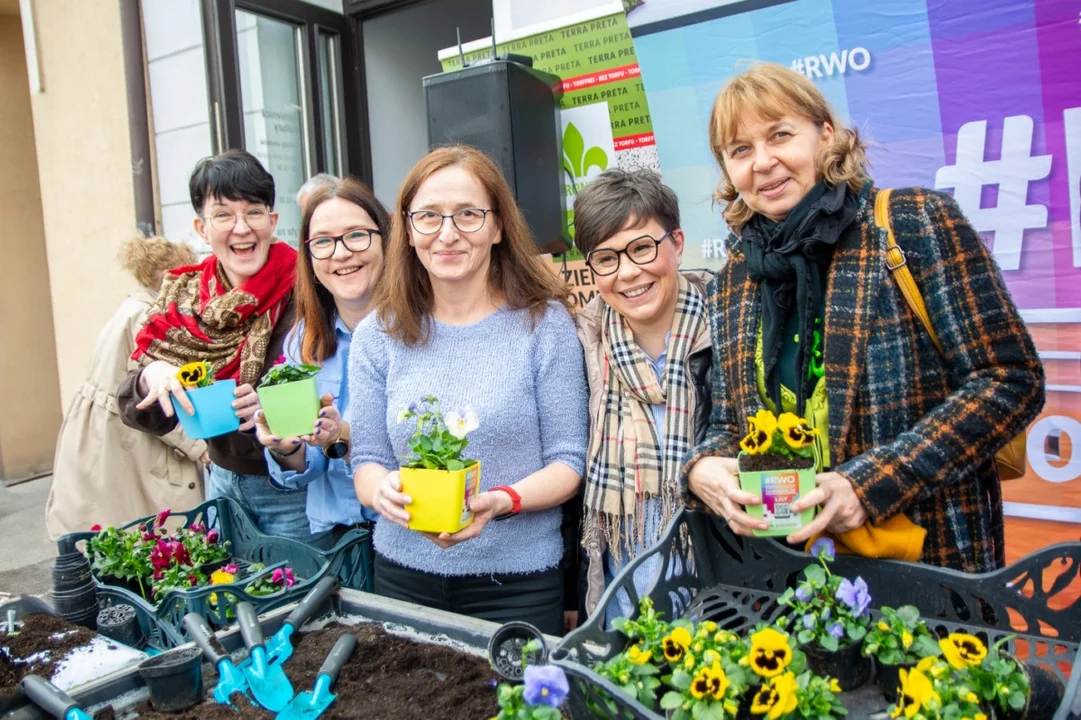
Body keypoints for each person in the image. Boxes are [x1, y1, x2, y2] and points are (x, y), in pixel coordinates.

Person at [682, 62, 1045, 573]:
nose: (762, 163)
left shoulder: (914, 223)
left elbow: (1011, 380)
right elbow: (728, 421)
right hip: (788, 576)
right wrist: (702, 469)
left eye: (780, 135)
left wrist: (868, 484)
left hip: (926, 563)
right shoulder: (736, 279)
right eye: (740, 150)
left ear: (825, 136)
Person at [349, 145, 588, 635]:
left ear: (498, 226)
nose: (448, 233)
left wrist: (501, 500)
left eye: (468, 215)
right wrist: (382, 492)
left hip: (517, 582)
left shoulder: (544, 325)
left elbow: (570, 461)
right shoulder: (378, 334)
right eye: (429, 217)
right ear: (408, 230)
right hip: (403, 577)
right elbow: (366, 459)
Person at [118, 149, 317, 543]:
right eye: (224, 214)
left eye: (254, 212)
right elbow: (136, 409)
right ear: (201, 227)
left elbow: (339, 385)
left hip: (298, 490)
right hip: (222, 483)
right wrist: (153, 375)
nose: (241, 228)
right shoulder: (183, 297)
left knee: (299, 603)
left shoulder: (309, 288)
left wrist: (275, 409)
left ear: (273, 221)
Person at [572, 169, 712, 624]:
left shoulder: (730, 329)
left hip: (722, 598)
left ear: (677, 243)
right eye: (606, 259)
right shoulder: (584, 345)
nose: (628, 273)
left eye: (641, 248)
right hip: (622, 609)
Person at [255, 177, 388, 548]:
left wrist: (342, 435)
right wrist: (285, 445)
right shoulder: (303, 340)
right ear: (310, 258)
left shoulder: (423, 333)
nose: (341, 253)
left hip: (407, 534)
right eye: (323, 242)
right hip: (332, 539)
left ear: (387, 241)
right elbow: (309, 465)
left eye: (357, 235)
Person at [46, 236, 206, 538]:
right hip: (131, 436)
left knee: (108, 521)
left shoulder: (131, 307)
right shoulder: (147, 316)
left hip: (104, 431)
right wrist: (200, 447)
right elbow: (159, 397)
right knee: (147, 527)